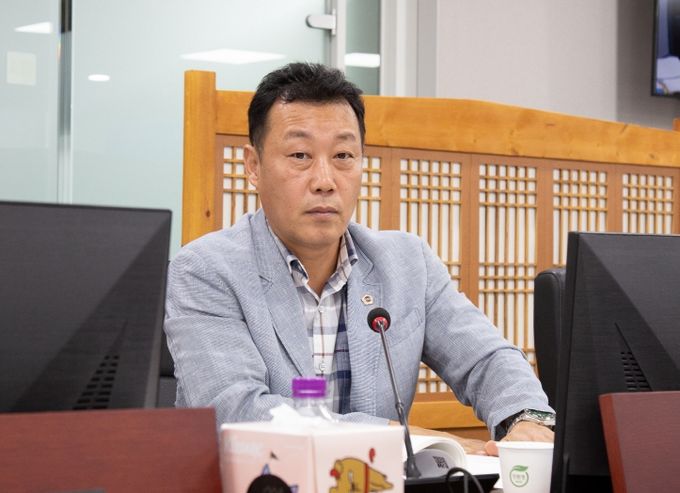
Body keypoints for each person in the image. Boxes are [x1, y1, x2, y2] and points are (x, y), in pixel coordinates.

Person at [164, 62, 554, 455]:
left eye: (343, 155)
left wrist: (526, 419)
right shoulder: (206, 270)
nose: (324, 180)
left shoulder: (406, 263)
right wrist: (404, 438)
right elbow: (237, 411)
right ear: (254, 166)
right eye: (300, 155)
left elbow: (486, 358)